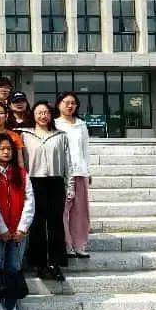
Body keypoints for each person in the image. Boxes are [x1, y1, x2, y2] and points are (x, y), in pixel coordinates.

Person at [20, 102, 73, 282]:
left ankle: (56, 264)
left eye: (46, 112)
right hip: (34, 182)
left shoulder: (61, 136)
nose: (43, 116)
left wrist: (70, 186)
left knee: (56, 224)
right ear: (33, 115)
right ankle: (40, 264)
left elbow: (68, 163)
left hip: (56, 182)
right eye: (39, 112)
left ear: (51, 115)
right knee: (37, 224)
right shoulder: (25, 135)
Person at [0, 132, 34, 310]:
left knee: (14, 269)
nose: (6, 152)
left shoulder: (21, 173)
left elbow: (29, 202)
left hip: (18, 233)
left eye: (9, 149)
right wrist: (2, 229)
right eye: (2, 149)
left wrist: (22, 228)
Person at [55, 91, 91, 259]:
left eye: (73, 103)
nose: (69, 106)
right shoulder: (55, 123)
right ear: (59, 104)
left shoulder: (81, 125)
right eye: (66, 102)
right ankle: (66, 244)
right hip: (62, 173)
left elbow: (85, 149)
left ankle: (79, 244)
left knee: (80, 211)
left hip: (80, 171)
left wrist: (88, 171)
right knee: (62, 210)